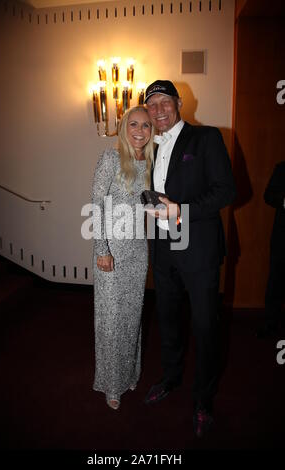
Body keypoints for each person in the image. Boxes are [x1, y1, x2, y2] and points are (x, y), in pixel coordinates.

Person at [143, 80, 236, 437]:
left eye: (165, 101)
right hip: (163, 248)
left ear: (179, 103)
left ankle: (203, 400)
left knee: (204, 326)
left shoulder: (206, 137)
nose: (158, 110)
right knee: (167, 319)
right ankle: (170, 378)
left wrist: (179, 211)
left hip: (198, 248)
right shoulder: (149, 146)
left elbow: (226, 190)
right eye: (152, 105)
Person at [92, 106, 154, 410]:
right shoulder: (111, 158)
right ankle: (110, 384)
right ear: (124, 127)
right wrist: (102, 250)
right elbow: (95, 206)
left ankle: (130, 373)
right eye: (134, 124)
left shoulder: (151, 163)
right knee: (111, 321)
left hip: (138, 251)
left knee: (132, 317)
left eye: (145, 125)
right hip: (111, 252)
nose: (140, 130)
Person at [256, 161, 285, 339]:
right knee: (276, 280)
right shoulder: (283, 168)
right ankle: (270, 324)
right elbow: (268, 195)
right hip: (283, 238)